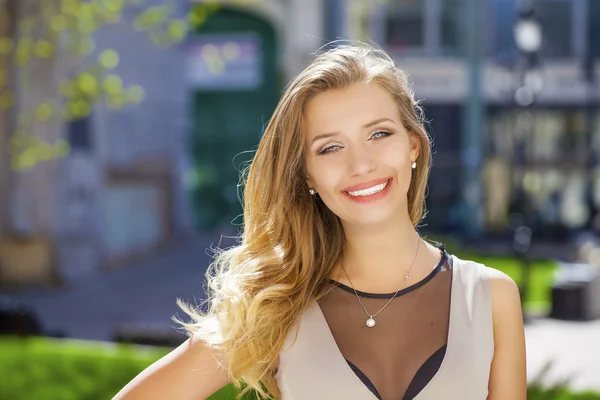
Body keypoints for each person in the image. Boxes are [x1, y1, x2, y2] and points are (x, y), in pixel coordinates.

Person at [113, 43, 526, 400]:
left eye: (379, 134)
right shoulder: (276, 307)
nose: (361, 164)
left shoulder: (491, 299)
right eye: (330, 148)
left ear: (413, 146)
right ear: (307, 176)